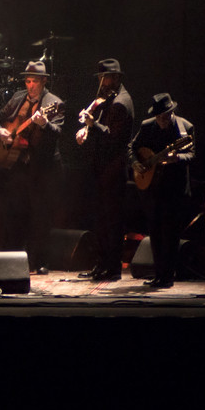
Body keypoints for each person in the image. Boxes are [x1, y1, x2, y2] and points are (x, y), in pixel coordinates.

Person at [0, 60, 64, 274]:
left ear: (44, 81)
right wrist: (0, 132)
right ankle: (17, 260)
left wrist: (44, 124)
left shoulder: (54, 103)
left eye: (35, 82)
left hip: (43, 168)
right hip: (18, 166)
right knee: (16, 213)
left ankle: (40, 261)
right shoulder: (17, 99)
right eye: (28, 81)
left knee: (40, 216)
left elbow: (58, 133)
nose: (30, 86)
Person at [75, 59, 134, 281]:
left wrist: (93, 125)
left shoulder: (121, 102)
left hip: (113, 169)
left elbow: (113, 138)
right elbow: (101, 130)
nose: (101, 82)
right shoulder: (109, 99)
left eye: (105, 78)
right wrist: (86, 131)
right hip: (103, 168)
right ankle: (102, 264)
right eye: (100, 78)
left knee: (112, 220)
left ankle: (112, 267)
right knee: (101, 218)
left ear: (116, 78)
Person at [128, 93, 195, 289]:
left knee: (170, 234)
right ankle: (158, 274)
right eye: (158, 117)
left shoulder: (185, 128)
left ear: (171, 112)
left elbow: (191, 154)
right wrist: (135, 163)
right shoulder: (147, 126)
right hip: (152, 189)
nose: (162, 120)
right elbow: (132, 147)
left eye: (165, 116)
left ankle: (168, 276)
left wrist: (177, 158)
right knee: (155, 233)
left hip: (174, 189)